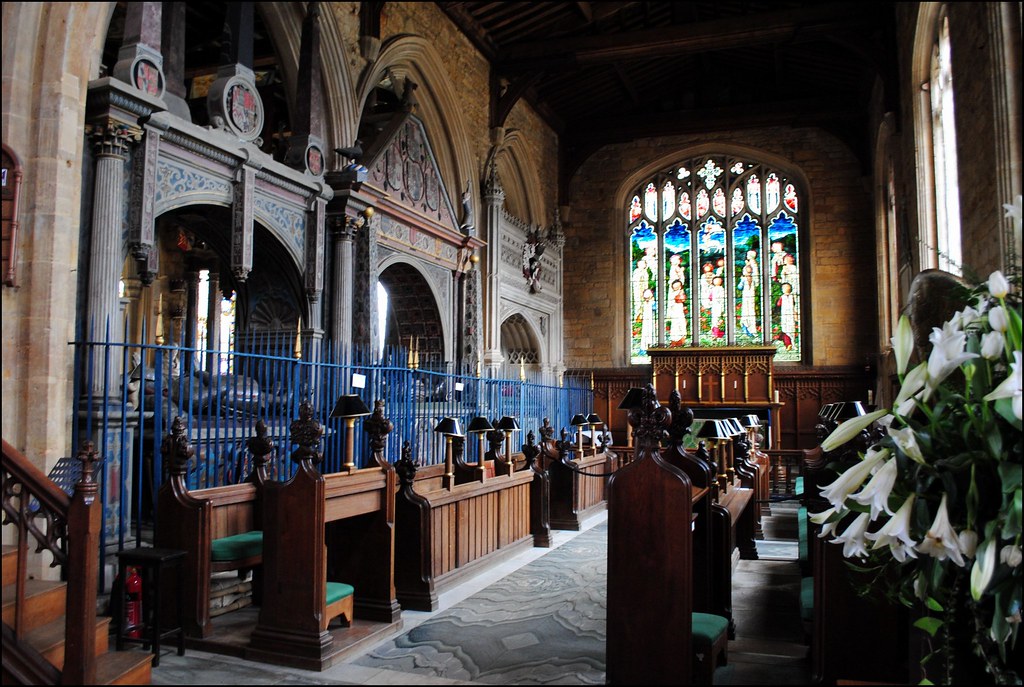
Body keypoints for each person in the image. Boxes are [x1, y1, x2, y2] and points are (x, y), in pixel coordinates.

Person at [738, 264, 757, 336]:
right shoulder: (753, 279)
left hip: (747, 298)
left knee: (746, 313)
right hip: (750, 298)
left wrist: (741, 280)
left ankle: (747, 329)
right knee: (750, 313)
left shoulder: (744, 279)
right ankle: (750, 330)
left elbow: (739, 287)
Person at [667, 279, 687, 344]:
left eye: (678, 286)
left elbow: (683, 299)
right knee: (675, 325)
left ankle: (682, 339)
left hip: (680, 310)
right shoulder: (671, 294)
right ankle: (674, 340)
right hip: (674, 311)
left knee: (682, 324)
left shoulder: (681, 292)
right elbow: (670, 303)